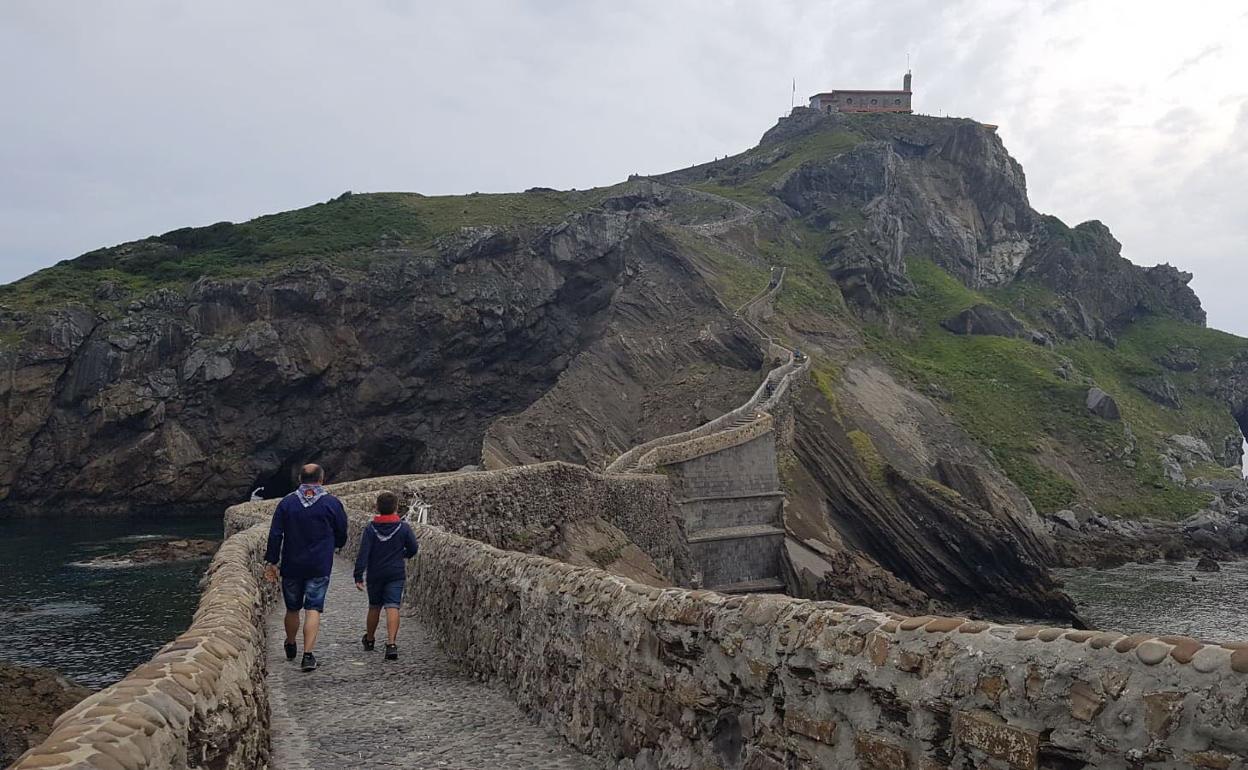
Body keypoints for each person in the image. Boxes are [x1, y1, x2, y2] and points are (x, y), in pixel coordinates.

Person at [264, 463, 348, 672]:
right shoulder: (331, 503)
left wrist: (271, 561)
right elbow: (342, 532)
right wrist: (334, 545)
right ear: (321, 479)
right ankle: (308, 655)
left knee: (292, 608)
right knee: (313, 608)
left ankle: (291, 642)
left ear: (300, 479)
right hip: (319, 565)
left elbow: (275, 534)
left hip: (292, 564)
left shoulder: (287, 503)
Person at [353, 491, 419, 661]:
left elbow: (363, 553)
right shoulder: (403, 527)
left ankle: (369, 639)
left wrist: (358, 575)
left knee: (374, 606)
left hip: (375, 573)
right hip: (395, 572)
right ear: (396, 508)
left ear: (377, 508)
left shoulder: (370, 528)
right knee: (392, 606)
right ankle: (391, 644)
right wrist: (402, 554)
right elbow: (413, 548)